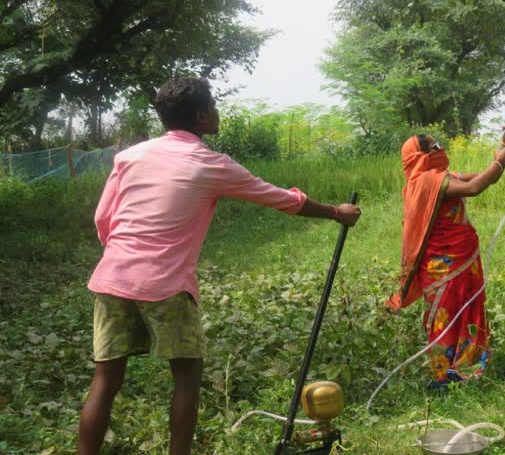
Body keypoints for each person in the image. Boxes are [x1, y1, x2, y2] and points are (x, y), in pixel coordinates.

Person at [77, 77, 361, 455]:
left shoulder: (130, 156)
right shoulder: (210, 164)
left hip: (112, 277)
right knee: (187, 374)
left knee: (105, 381)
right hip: (167, 285)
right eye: (212, 105)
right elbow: (280, 199)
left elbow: (103, 219)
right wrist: (335, 213)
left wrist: (124, 257)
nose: (216, 111)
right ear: (200, 116)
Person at [386, 130, 505, 388]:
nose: (440, 148)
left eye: (439, 143)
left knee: (468, 310)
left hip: (462, 259)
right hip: (443, 265)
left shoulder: (439, 177)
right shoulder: (426, 181)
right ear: (419, 156)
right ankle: (444, 377)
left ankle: (469, 369)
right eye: (433, 146)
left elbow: (484, 178)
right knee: (447, 317)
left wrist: (503, 149)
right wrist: (501, 160)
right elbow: (474, 188)